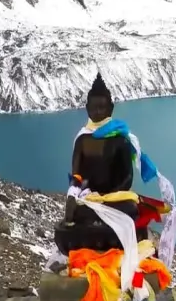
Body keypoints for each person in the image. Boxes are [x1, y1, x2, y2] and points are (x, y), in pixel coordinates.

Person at [55, 72, 145, 254]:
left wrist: (107, 196)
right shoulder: (82, 140)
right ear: (87, 108)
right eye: (93, 108)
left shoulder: (120, 139)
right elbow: (77, 176)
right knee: (75, 214)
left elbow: (127, 177)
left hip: (114, 199)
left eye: (102, 108)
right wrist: (73, 196)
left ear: (110, 109)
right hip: (89, 199)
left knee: (130, 209)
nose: (97, 112)